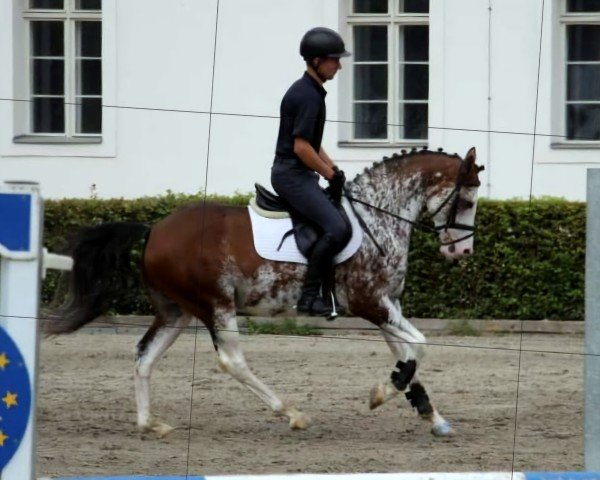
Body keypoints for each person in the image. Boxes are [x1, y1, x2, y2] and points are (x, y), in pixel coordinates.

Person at [271, 27, 352, 317]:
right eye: (334, 59)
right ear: (317, 61)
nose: (339, 65)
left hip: (298, 174)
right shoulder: (307, 96)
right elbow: (301, 148)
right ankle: (308, 299)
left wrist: (334, 169)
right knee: (338, 227)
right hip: (291, 175)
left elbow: (314, 146)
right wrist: (329, 176)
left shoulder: (311, 91)